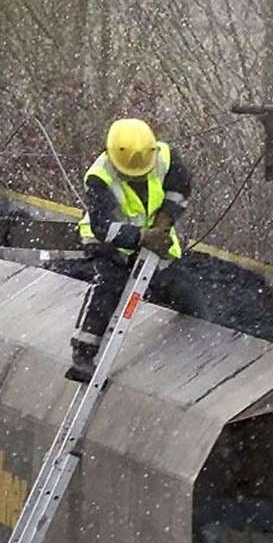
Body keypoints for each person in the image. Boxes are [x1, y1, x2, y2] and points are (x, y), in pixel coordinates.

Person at [68, 117, 205, 382]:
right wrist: (140, 236)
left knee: (180, 286)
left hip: (155, 238)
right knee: (110, 285)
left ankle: (202, 337)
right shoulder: (99, 177)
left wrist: (165, 219)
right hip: (109, 241)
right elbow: (102, 227)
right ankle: (83, 354)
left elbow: (180, 191)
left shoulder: (165, 157)